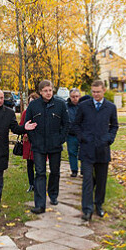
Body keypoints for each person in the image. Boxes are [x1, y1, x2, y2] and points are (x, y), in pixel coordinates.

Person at [73, 80, 119, 221]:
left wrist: (109, 139)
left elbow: (114, 126)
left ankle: (98, 205)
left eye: (98, 92)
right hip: (87, 149)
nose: (96, 94)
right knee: (87, 180)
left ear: (103, 91)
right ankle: (87, 209)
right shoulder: (83, 106)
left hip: (102, 150)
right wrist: (82, 138)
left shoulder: (110, 107)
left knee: (101, 180)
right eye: (93, 92)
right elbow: (76, 125)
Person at [24, 80, 70, 214]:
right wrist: (33, 139)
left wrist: (60, 139)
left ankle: (53, 194)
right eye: (45, 90)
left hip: (55, 145)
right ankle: (39, 204)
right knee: (40, 173)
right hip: (38, 145)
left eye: (50, 90)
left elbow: (66, 124)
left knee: (55, 172)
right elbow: (28, 123)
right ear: (40, 92)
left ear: (52, 90)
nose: (48, 93)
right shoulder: (33, 106)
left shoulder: (60, 104)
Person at [66, 88, 91, 177]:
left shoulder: (84, 106)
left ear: (79, 96)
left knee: (84, 153)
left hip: (83, 133)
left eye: (77, 96)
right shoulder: (66, 107)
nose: (75, 98)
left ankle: (84, 170)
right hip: (71, 134)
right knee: (72, 152)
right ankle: (74, 170)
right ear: (70, 97)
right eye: (73, 97)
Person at [20, 92, 40, 192]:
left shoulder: (41, 113)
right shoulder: (25, 113)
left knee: (38, 164)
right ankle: (31, 184)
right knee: (29, 164)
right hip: (28, 142)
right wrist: (25, 133)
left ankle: (38, 184)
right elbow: (21, 126)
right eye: (30, 102)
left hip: (38, 142)